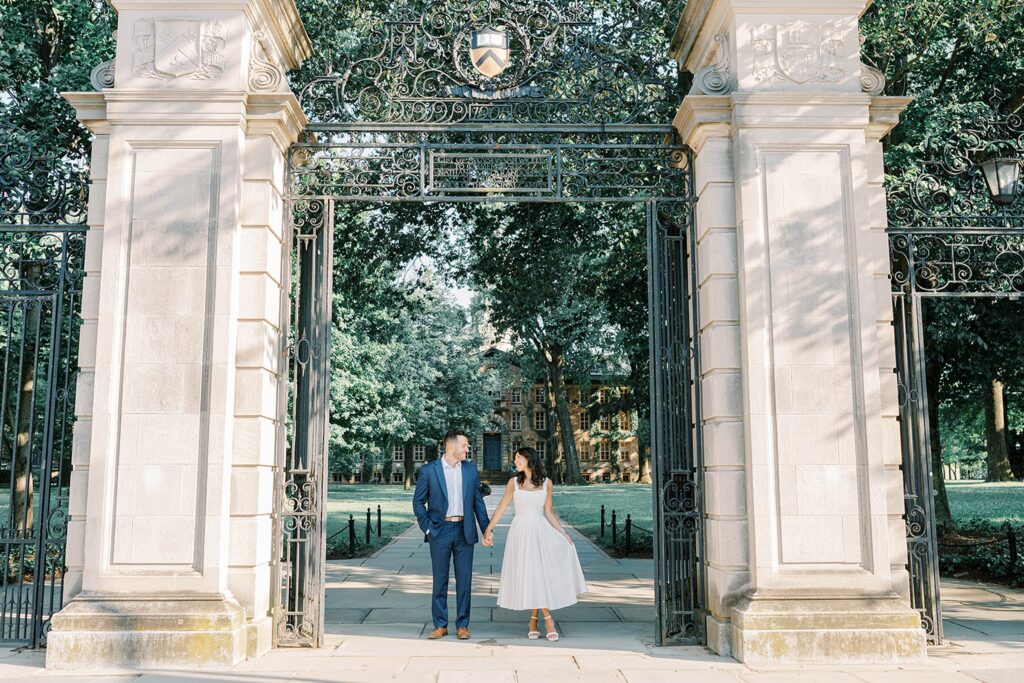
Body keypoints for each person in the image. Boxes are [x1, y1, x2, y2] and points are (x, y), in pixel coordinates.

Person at [482, 446, 587, 641]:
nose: (515, 461)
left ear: (529, 459)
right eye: (515, 458)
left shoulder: (547, 483)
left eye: (518, 458)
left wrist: (563, 533)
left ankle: (534, 619)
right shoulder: (513, 483)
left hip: (540, 531)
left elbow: (548, 512)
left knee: (539, 574)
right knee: (531, 575)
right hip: (520, 532)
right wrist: (489, 529)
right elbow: (501, 508)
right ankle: (548, 620)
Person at [412, 429, 490, 640]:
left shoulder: (470, 470)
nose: (468, 448)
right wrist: (427, 527)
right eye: (464, 445)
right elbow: (418, 502)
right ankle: (440, 624)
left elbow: (478, 502)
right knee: (440, 579)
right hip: (440, 530)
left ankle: (463, 625)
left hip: (465, 530)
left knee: (464, 580)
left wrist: (487, 529)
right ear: (451, 447)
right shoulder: (429, 471)